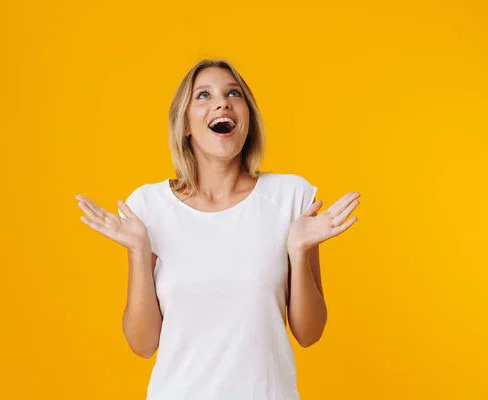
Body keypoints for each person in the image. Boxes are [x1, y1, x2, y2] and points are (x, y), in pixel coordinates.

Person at [75, 58, 361, 399]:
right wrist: (139, 251)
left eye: (233, 93)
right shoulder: (149, 206)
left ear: (247, 120)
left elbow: (309, 333)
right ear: (185, 124)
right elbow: (142, 344)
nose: (222, 102)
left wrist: (298, 253)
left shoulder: (290, 198)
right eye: (203, 96)